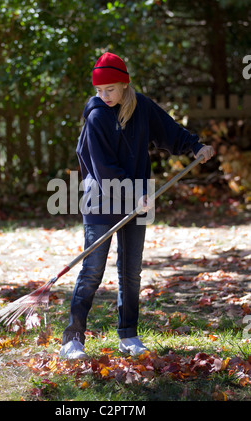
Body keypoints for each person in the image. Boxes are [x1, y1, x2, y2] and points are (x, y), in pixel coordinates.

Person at [60, 52, 214, 360]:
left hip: (137, 200)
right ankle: (73, 338)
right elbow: (103, 169)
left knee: (131, 271)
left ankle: (128, 334)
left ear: (125, 84)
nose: (104, 96)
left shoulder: (141, 107)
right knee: (92, 269)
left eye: (110, 90)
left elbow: (169, 130)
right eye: (99, 91)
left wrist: (195, 146)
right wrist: (133, 195)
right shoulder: (96, 117)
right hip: (102, 199)